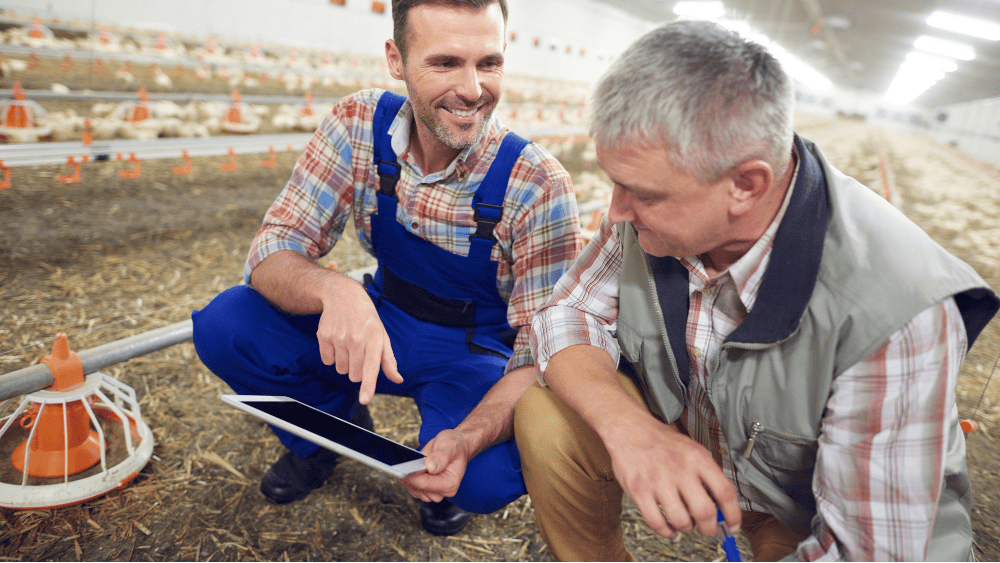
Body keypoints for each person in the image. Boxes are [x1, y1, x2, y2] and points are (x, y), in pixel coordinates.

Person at [514, 20, 999, 561]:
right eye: (615, 183)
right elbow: (567, 312)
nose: (616, 211)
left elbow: (872, 553)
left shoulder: (894, 309)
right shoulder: (644, 214)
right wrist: (631, 431)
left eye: (643, 194)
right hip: (707, 447)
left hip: (811, 508)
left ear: (746, 184)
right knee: (548, 416)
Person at [192, 0, 581, 536]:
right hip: (383, 315)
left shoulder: (537, 184)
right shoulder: (358, 123)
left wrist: (468, 438)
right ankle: (326, 434)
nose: (473, 88)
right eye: (446, 63)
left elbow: (544, 353)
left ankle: (448, 473)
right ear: (396, 60)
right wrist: (335, 291)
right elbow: (274, 246)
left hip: (473, 350)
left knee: (483, 476)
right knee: (227, 326)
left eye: (489, 63)